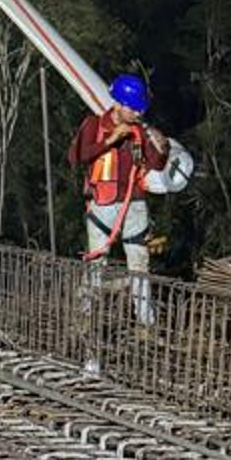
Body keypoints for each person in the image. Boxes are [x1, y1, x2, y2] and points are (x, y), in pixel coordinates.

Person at [69, 75, 168, 328]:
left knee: (139, 263)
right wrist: (110, 140)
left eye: (139, 109)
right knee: (96, 263)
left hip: (133, 204)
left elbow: (156, 165)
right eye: (133, 108)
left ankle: (146, 322)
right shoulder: (94, 125)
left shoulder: (141, 132)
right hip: (102, 204)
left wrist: (162, 149)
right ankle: (85, 315)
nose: (137, 112)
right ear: (118, 104)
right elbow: (77, 156)